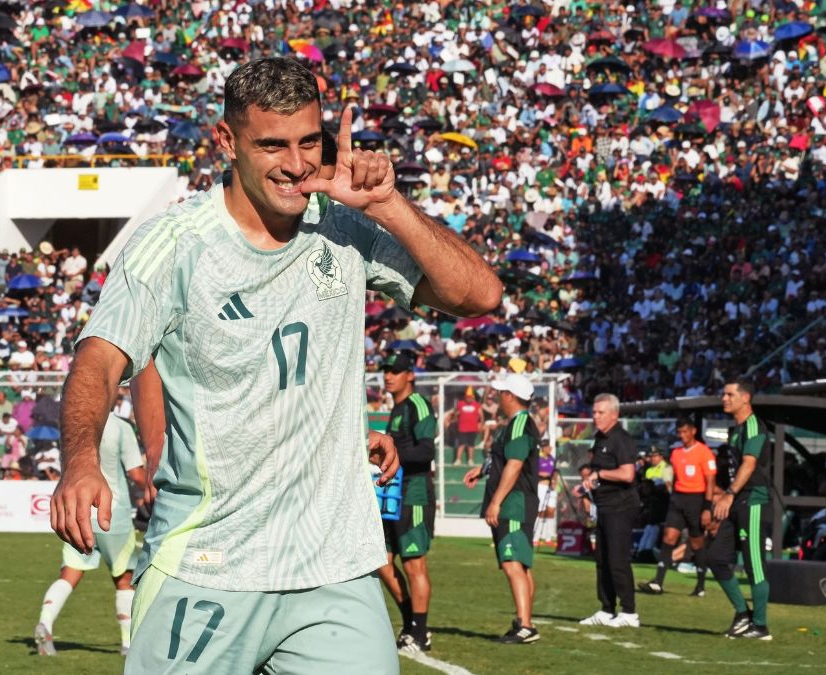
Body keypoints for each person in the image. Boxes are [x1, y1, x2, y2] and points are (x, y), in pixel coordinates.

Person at [49, 57, 501, 674]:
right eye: (272, 145)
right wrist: (80, 461)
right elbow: (98, 361)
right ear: (226, 141)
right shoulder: (175, 246)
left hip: (333, 570)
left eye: (309, 141)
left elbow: (479, 296)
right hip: (209, 564)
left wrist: (388, 204)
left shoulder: (346, 229)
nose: (295, 163)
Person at [34, 412, 147, 656]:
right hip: (112, 514)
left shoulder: (73, 422)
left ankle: (46, 622)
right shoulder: (120, 426)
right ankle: (128, 643)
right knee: (124, 580)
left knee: (69, 575)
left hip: (78, 511)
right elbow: (137, 475)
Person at [463, 373, 542, 644]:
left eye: (501, 392)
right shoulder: (514, 424)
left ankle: (526, 626)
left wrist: (496, 501)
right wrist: (482, 469)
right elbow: (503, 459)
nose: (497, 396)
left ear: (510, 396)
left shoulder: (520, 424)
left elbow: (515, 463)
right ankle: (523, 621)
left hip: (515, 503)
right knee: (520, 564)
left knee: (511, 562)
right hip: (518, 501)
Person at [376, 352, 437, 654]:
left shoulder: (418, 405)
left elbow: (426, 452)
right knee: (382, 563)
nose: (388, 376)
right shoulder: (397, 407)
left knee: (414, 564)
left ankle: (421, 633)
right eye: (386, 370)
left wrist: (391, 456)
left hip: (413, 495)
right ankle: (410, 623)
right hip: (392, 496)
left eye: (395, 371)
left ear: (410, 375)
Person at [710, 379, 772, 640]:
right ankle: (742, 614)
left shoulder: (754, 425)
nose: (724, 398)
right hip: (735, 501)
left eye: (729, 394)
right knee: (714, 557)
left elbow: (749, 464)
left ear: (745, 398)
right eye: (723, 394)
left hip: (752, 500)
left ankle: (760, 626)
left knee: (753, 566)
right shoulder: (735, 430)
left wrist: (729, 494)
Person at [578, 393, 640, 628]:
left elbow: (627, 474)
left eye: (600, 412)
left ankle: (629, 612)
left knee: (617, 559)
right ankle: (606, 608)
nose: (596, 417)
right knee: (602, 559)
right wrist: (587, 487)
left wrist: (600, 475)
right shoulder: (600, 439)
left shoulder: (621, 440)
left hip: (621, 507)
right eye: (594, 412)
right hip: (604, 506)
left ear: (614, 414)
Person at [641, 417, 715, 596]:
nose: (682, 436)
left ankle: (700, 585)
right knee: (668, 537)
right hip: (678, 500)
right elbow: (674, 479)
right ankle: (658, 581)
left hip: (696, 500)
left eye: (685, 432)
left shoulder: (704, 453)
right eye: (679, 432)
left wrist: (706, 507)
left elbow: (710, 481)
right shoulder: (676, 453)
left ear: (693, 431)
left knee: (697, 542)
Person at [447, 388, 485, 465]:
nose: (469, 398)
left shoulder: (477, 405)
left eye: (470, 397)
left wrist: (481, 424)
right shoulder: (460, 404)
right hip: (462, 428)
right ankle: (458, 459)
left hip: (473, 428)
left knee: (471, 444)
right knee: (461, 444)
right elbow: (455, 413)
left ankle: (470, 460)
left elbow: (481, 416)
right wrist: (455, 417)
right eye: (468, 396)